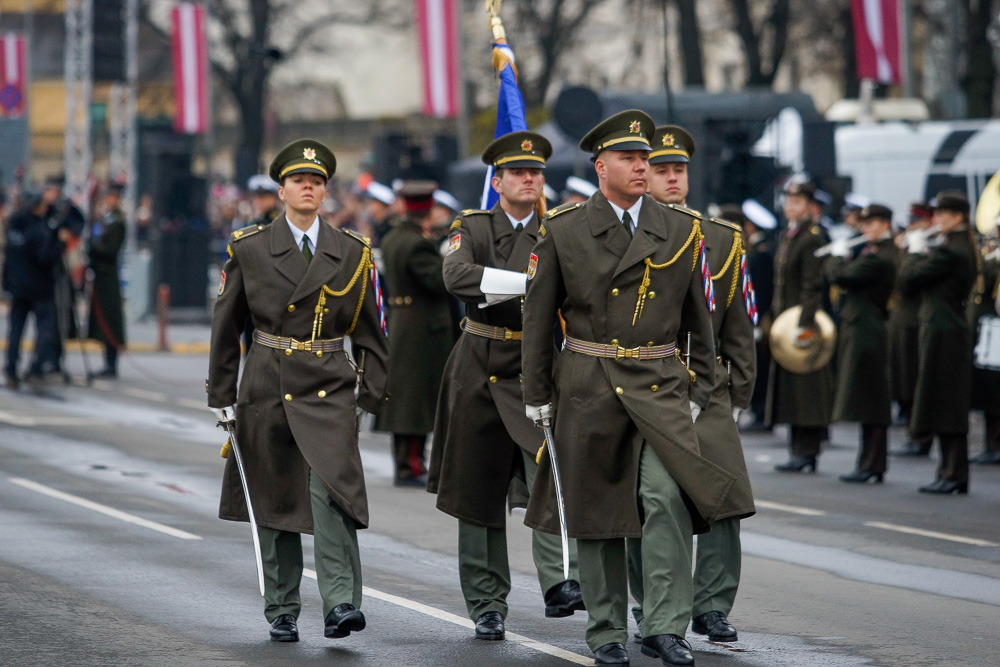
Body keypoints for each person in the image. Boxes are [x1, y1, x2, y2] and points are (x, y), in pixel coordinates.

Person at [521, 110, 735, 666]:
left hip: (660, 386)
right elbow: (539, 323)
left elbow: (700, 321)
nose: (642, 167)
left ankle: (665, 625)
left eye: (645, 159)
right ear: (600, 167)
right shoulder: (564, 230)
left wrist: (702, 391)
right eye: (629, 159)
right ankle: (607, 630)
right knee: (598, 513)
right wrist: (539, 396)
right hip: (588, 385)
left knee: (665, 499)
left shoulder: (680, 229)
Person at [207, 139, 390, 643]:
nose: (308, 188)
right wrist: (222, 394)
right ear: (282, 190)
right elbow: (228, 327)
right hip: (267, 381)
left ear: (325, 191)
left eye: (317, 181)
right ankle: (282, 606)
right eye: (298, 181)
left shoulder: (352, 252)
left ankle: (341, 603)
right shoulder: (249, 247)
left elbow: (373, 330)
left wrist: (371, 393)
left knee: (332, 493)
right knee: (274, 497)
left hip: (328, 383)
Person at [427, 131, 584, 641]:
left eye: (537, 173)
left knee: (550, 472)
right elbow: (456, 275)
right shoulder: (472, 226)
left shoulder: (558, 229)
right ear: (497, 182)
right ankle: (486, 602)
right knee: (478, 491)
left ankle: (561, 579)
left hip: (536, 362)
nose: (530, 179)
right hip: (478, 361)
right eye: (519, 173)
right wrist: (529, 284)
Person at [627, 125, 756, 647]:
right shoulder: (632, 237)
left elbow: (740, 324)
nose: (673, 177)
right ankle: (650, 603)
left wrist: (739, 394)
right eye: (661, 169)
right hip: (650, 384)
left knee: (725, 497)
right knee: (648, 502)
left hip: (710, 388)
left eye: (679, 169)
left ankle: (713, 605)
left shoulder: (724, 237)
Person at [375, 181, 454, 486]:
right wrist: (452, 260)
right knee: (414, 402)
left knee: (407, 398)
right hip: (421, 329)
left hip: (403, 323)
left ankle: (409, 463)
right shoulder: (418, 242)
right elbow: (437, 280)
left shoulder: (396, 235)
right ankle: (411, 465)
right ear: (428, 207)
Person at [898, 191, 978, 494]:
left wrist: (916, 252)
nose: (937, 220)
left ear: (958, 217)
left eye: (943, 215)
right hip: (943, 328)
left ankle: (954, 473)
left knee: (947, 403)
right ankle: (949, 471)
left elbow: (907, 280)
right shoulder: (952, 245)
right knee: (943, 401)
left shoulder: (951, 250)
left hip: (944, 330)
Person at [825, 204, 898, 483]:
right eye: (864, 224)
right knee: (870, 400)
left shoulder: (881, 256)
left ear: (884, 224)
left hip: (868, 330)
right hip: (863, 327)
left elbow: (842, 276)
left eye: (870, 224)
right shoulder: (874, 251)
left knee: (873, 400)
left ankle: (872, 464)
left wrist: (836, 256)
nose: (865, 229)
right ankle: (868, 463)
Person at [766, 181, 834, 472]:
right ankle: (798, 450)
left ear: (809, 205)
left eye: (797, 201)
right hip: (786, 321)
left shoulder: (812, 237)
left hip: (801, 323)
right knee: (793, 390)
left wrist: (804, 325)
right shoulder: (790, 234)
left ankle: (807, 451)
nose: (791, 206)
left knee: (807, 389)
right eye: (788, 201)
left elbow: (812, 286)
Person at [3, 190, 70, 388]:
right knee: (44, 329)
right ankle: (36, 367)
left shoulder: (14, 224)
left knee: (15, 329)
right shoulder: (38, 229)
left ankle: (11, 368)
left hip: (17, 287)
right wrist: (60, 242)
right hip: (40, 287)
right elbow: (46, 256)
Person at [889, 203, 935, 456]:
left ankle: (921, 436)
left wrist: (913, 251)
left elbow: (907, 281)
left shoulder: (929, 249)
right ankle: (913, 432)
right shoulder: (911, 248)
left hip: (918, 320)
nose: (911, 227)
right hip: (904, 320)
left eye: (916, 223)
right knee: (905, 380)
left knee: (917, 381)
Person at [740, 199, 776, 430]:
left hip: (760, 318)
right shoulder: (760, 250)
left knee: (761, 366)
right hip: (758, 317)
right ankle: (759, 411)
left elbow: (761, 292)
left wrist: (755, 319)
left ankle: (762, 413)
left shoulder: (761, 254)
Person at [86, 183, 128, 378]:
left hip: (108, 275)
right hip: (100, 275)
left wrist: (94, 249)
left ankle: (111, 363)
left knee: (111, 320)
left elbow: (110, 249)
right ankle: (107, 361)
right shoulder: (106, 219)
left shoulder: (117, 221)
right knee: (103, 320)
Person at [969, 231, 1000, 465]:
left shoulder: (994, 261)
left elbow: (987, 282)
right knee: (988, 387)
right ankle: (991, 443)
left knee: (995, 388)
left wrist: (989, 258)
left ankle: (996, 444)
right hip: (987, 327)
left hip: (996, 326)